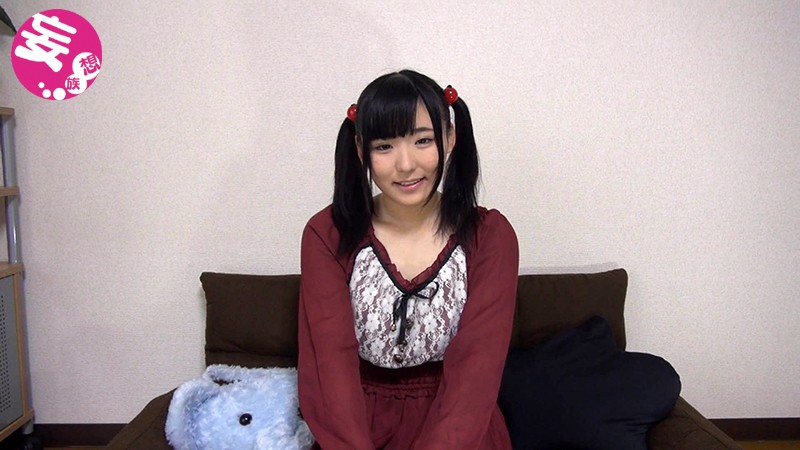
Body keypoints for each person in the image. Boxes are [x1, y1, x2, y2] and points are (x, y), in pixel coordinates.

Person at [298, 69, 519, 450]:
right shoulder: (327, 233)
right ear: (360, 149)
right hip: (355, 430)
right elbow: (329, 368)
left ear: (450, 138)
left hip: (459, 431)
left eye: (423, 140)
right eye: (384, 146)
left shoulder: (490, 236)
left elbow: (477, 368)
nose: (405, 164)